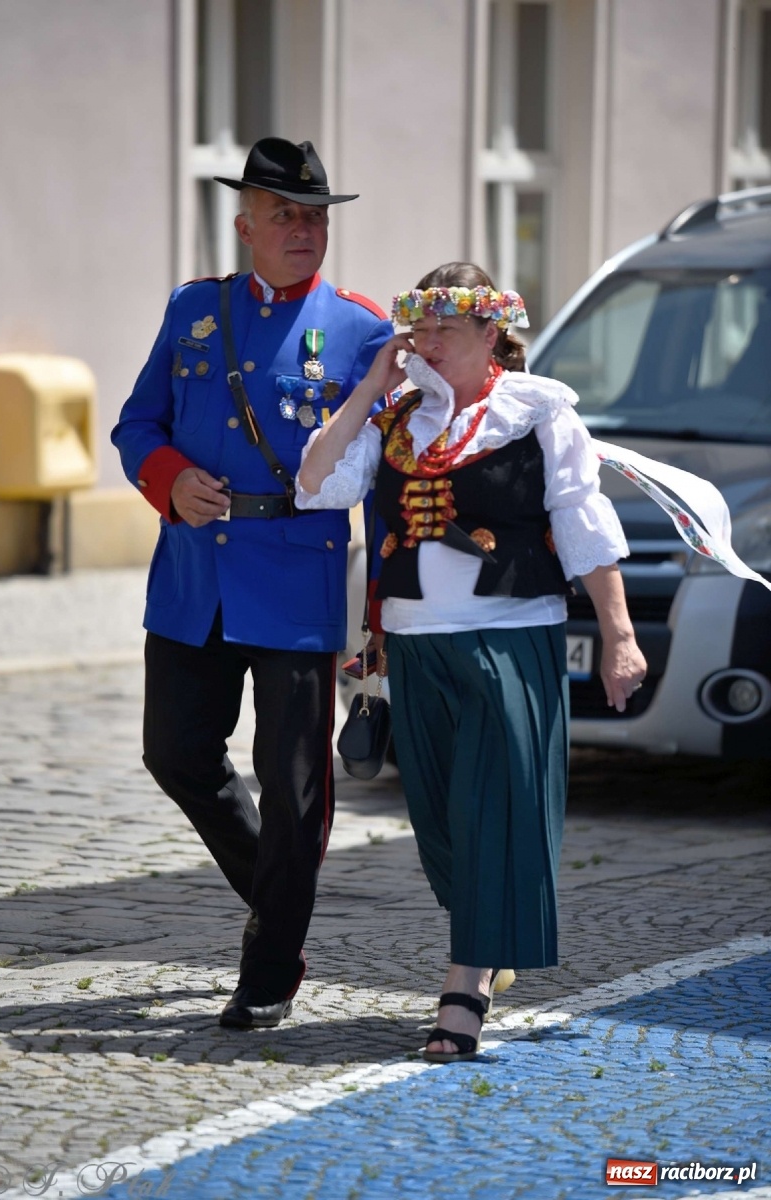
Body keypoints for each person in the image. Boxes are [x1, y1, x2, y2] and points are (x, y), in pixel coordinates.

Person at [296, 261, 647, 1062]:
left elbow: (585, 527)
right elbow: (314, 484)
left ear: (491, 333)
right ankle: (492, 934)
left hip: (510, 634)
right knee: (441, 825)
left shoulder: (537, 412)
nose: (425, 342)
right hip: (414, 647)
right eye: (418, 329)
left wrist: (618, 635)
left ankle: (464, 987)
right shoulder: (395, 419)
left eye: (443, 330)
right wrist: (369, 388)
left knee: (498, 809)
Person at [111, 137, 392, 1031]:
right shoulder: (195, 310)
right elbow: (135, 423)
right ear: (246, 227)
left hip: (297, 580)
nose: (303, 230)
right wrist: (165, 477)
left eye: (314, 217)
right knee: (176, 753)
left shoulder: (360, 327)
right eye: (284, 216)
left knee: (294, 784)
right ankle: (277, 895)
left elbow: (384, 474)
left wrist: (382, 602)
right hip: (195, 578)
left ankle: (271, 965)